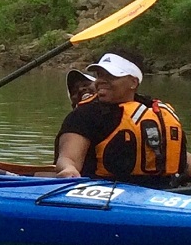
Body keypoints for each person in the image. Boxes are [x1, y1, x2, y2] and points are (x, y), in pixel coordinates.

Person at [54, 50, 191, 187]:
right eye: (100, 75)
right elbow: (68, 158)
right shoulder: (85, 114)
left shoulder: (156, 112)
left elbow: (177, 154)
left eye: (111, 76)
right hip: (99, 192)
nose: (101, 81)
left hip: (163, 193)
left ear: (133, 82)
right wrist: (68, 169)